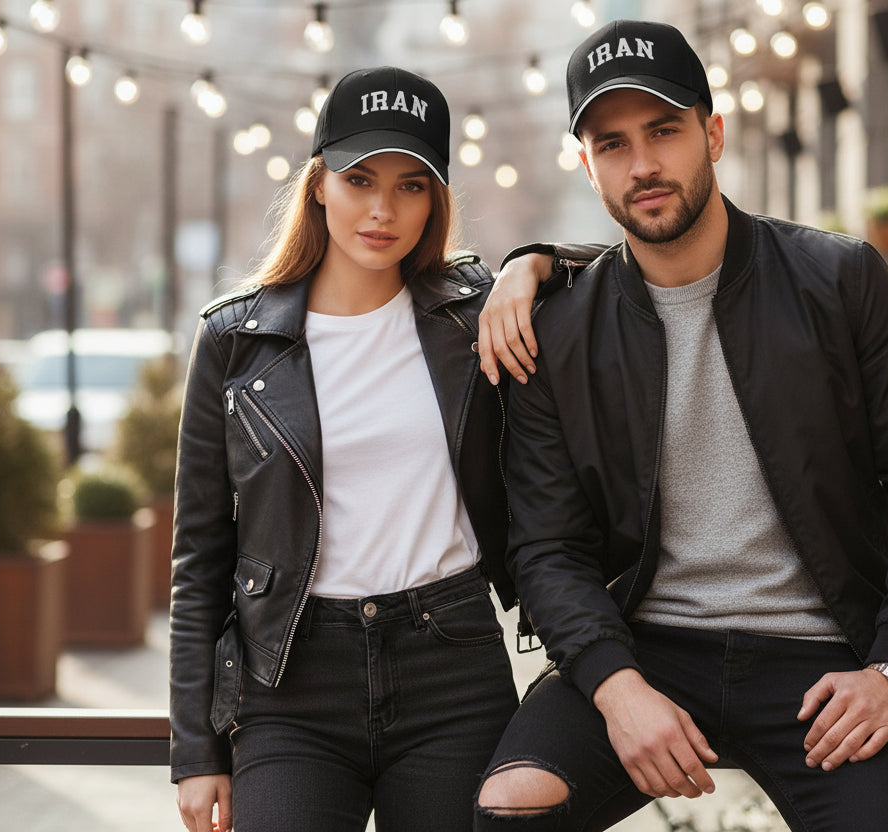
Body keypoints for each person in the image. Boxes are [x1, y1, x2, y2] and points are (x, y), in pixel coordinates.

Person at [473, 20, 888, 832]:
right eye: (612, 145)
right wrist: (617, 688)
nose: (642, 165)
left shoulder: (840, 281)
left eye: (665, 131)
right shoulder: (561, 332)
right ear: (588, 165)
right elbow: (546, 545)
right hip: (649, 649)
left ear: (712, 133)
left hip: (822, 658)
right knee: (513, 808)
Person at [168, 66, 595, 832]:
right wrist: (195, 748)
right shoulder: (235, 342)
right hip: (292, 682)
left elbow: (621, 272)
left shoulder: (473, 320)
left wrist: (535, 260)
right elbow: (199, 557)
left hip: (452, 665)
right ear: (319, 184)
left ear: (436, 200)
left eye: (411, 185)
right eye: (360, 178)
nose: (382, 209)